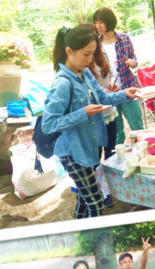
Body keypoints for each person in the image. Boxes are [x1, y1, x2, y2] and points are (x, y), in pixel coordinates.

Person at [41, 26, 138, 219]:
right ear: (69, 51)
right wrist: (82, 113)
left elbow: (102, 97)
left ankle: (80, 229)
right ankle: (94, 235)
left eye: (92, 54)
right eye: (86, 54)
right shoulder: (62, 83)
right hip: (73, 152)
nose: (90, 59)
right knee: (95, 202)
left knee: (84, 198)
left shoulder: (84, 73)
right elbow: (48, 124)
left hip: (88, 146)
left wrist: (125, 94)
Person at [93, 8, 143, 144]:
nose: (98, 26)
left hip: (128, 87)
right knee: (117, 132)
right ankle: (119, 155)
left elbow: (134, 59)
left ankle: (143, 150)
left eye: (101, 22)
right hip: (108, 92)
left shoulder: (124, 39)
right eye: (96, 23)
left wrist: (133, 62)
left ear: (109, 21)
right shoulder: (95, 44)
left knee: (137, 126)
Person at [86, 21, 117, 207]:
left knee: (111, 150)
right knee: (96, 154)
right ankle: (100, 192)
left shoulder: (102, 53)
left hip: (110, 110)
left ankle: (111, 187)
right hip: (95, 116)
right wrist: (101, 94)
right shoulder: (83, 62)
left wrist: (112, 83)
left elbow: (110, 74)